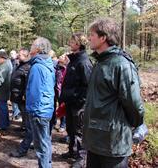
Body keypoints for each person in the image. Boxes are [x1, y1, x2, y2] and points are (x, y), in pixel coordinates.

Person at [83, 18, 145, 168]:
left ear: (103, 37)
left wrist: (137, 124)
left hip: (113, 143)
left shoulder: (122, 64)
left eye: (91, 34)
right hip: (94, 140)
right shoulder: (100, 63)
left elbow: (133, 103)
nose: (88, 38)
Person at [59, 33, 92, 167]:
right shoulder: (74, 60)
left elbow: (87, 87)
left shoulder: (84, 62)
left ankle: (81, 158)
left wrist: (78, 100)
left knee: (79, 131)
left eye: (71, 42)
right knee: (71, 129)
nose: (69, 43)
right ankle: (72, 151)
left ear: (78, 44)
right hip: (70, 103)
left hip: (79, 105)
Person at [26, 37, 55, 168]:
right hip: (46, 108)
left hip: (39, 111)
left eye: (32, 45)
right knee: (45, 142)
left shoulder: (37, 66)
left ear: (38, 49)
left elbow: (34, 91)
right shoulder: (47, 64)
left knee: (41, 146)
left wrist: (31, 110)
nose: (30, 48)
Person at [10, 48, 31, 130]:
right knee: (22, 110)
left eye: (20, 54)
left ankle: (26, 128)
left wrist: (24, 94)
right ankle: (24, 126)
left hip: (22, 93)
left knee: (25, 111)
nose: (18, 56)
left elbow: (27, 82)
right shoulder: (20, 64)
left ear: (25, 56)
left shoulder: (27, 66)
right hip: (17, 92)